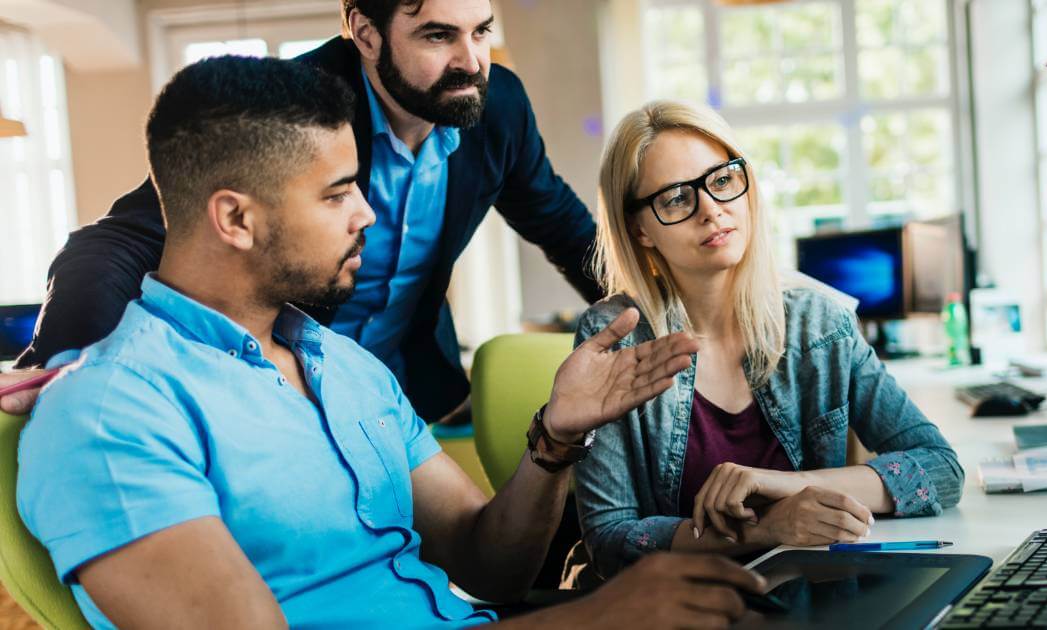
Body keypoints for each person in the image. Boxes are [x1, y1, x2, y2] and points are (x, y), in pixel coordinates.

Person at [16, 56, 765, 629]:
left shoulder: (345, 367)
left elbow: (487, 565)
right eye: (338, 193)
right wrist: (593, 618)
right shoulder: (110, 415)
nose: (369, 216)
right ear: (236, 220)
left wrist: (555, 442)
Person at [1, 0, 597, 424]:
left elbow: (561, 224)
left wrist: (663, 310)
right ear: (364, 32)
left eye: (481, 31)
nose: (472, 62)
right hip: (269, 391)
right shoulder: (290, 106)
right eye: (439, 37)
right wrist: (71, 366)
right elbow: (117, 241)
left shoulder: (498, 106)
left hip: (400, 391)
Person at [572, 100, 965, 580]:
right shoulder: (615, 336)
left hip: (814, 597)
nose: (711, 210)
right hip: (678, 608)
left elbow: (941, 470)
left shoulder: (820, 323)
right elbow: (609, 540)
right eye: (676, 198)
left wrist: (784, 486)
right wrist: (763, 529)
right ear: (640, 229)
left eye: (721, 180)